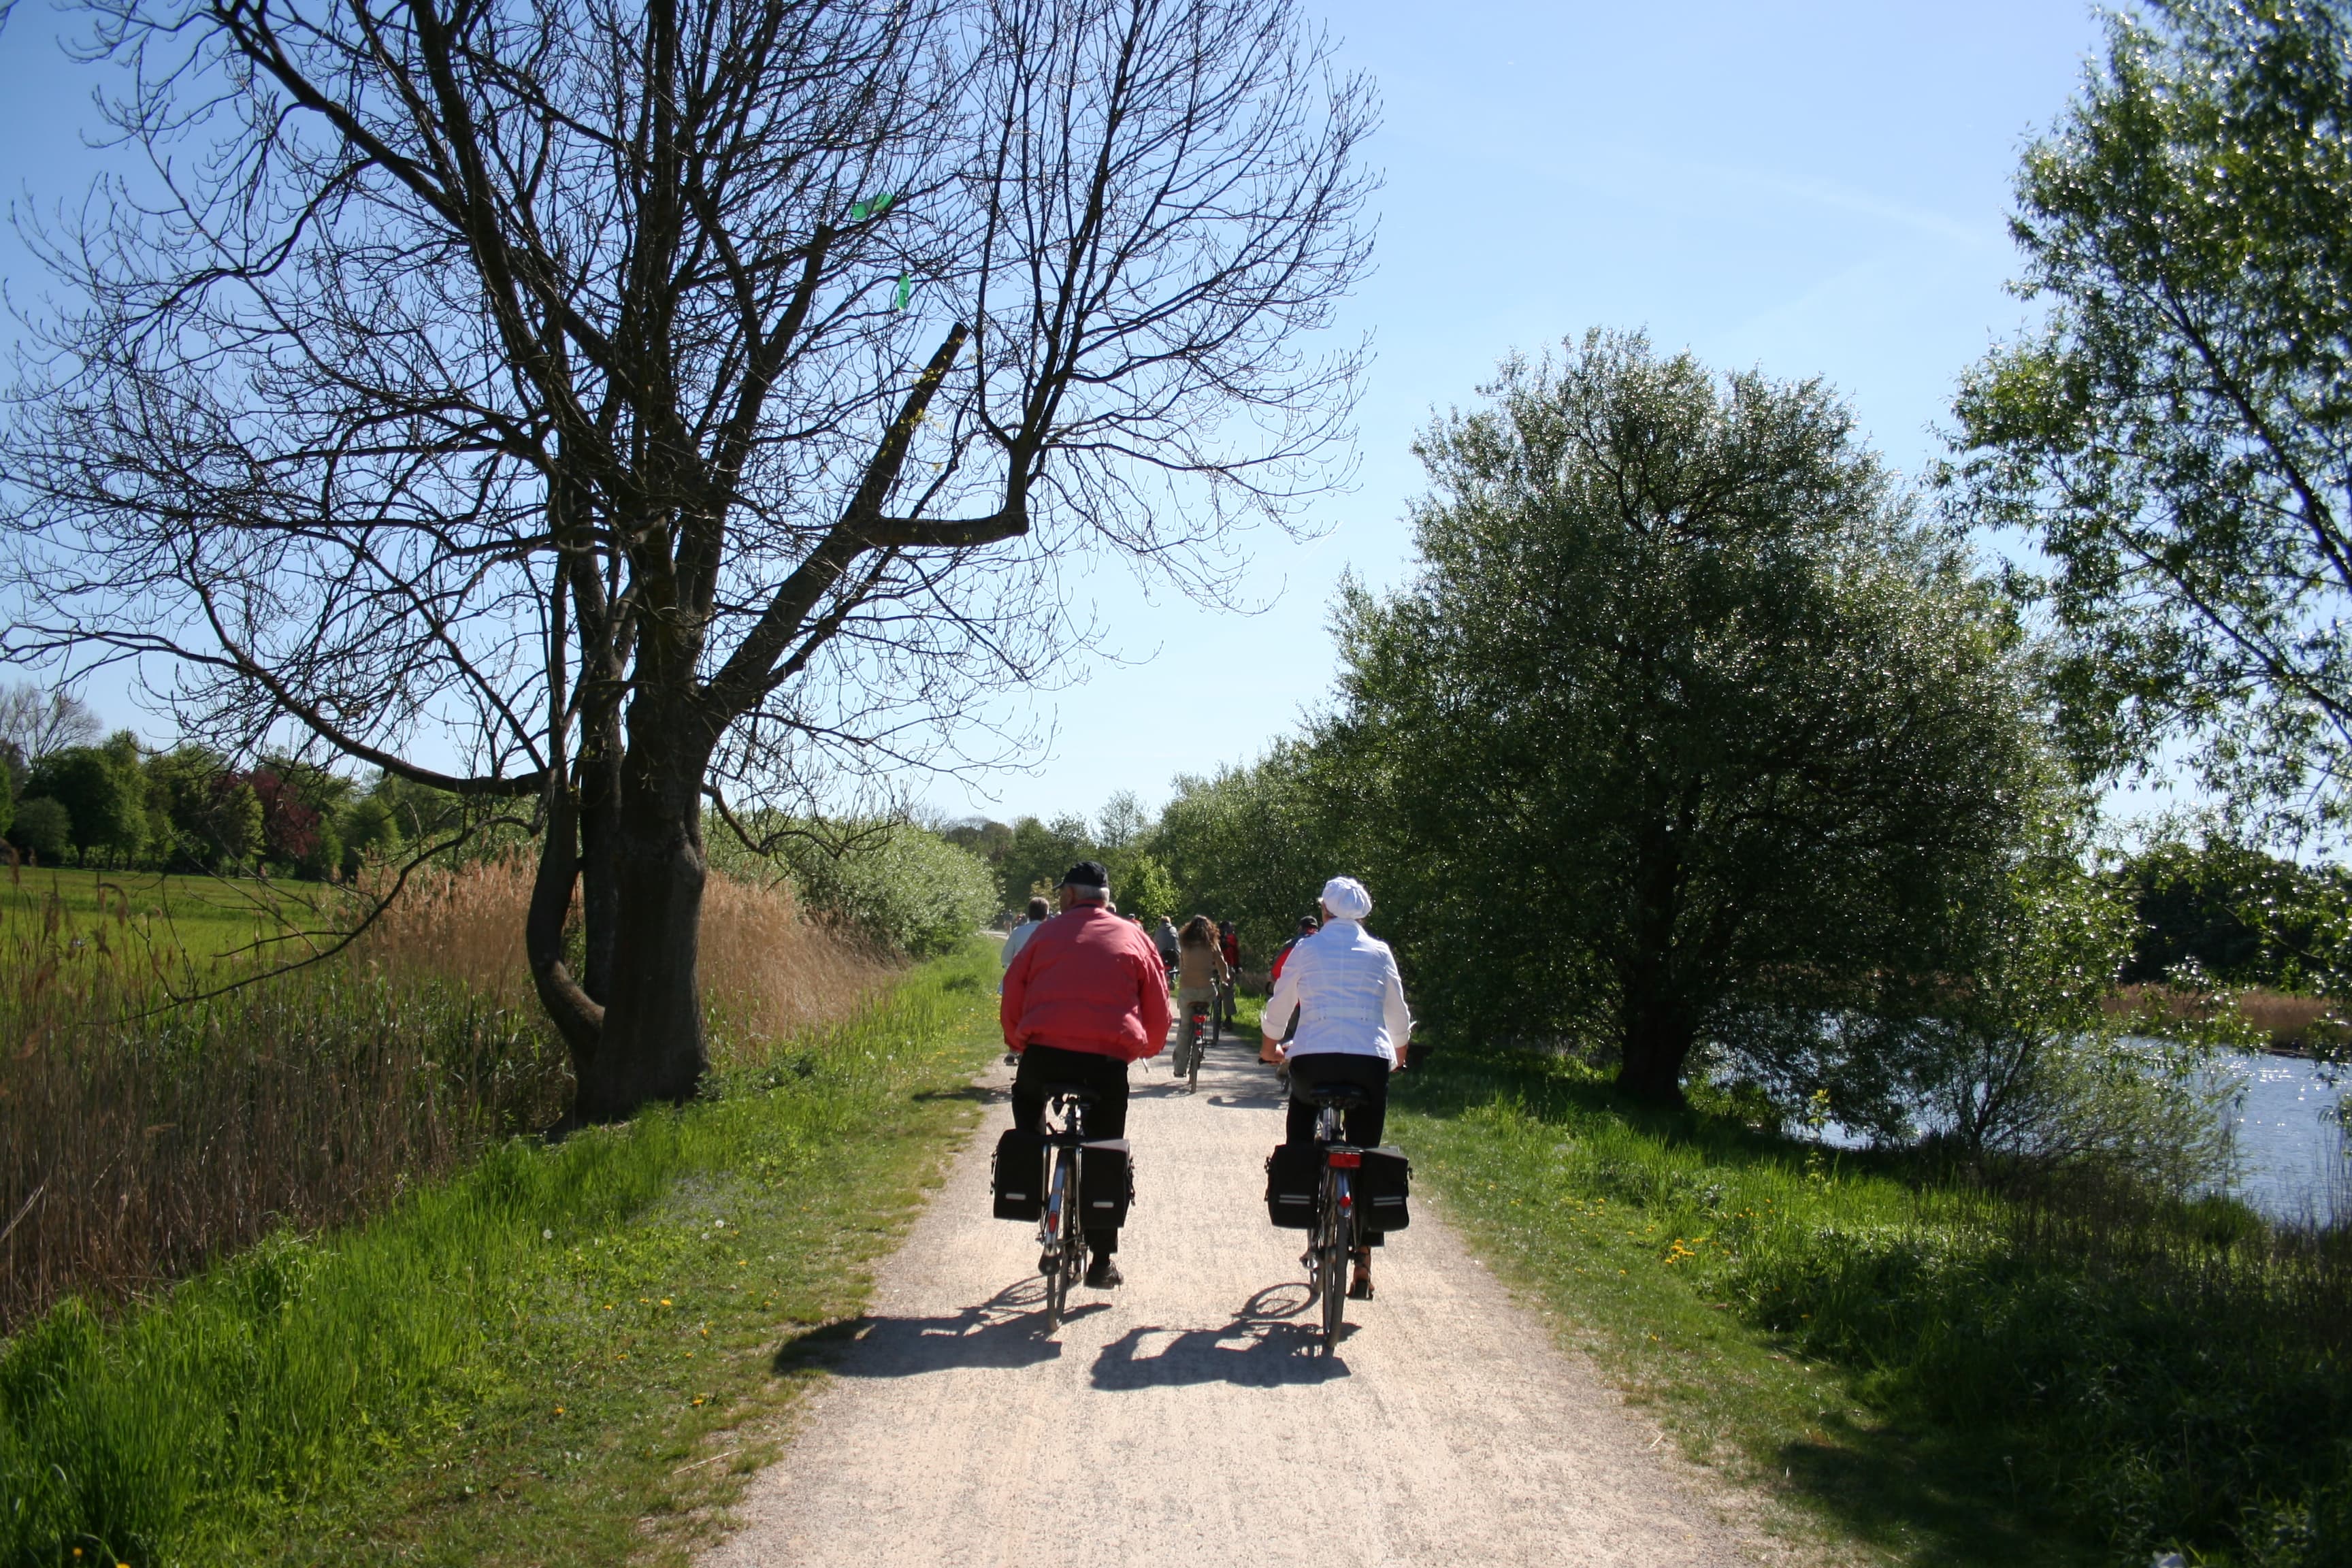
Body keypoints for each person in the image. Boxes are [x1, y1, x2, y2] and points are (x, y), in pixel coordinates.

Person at [1001, 861, 1171, 1289]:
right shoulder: (1135, 935)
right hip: (1105, 1062)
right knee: (1105, 1149)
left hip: (1045, 1056)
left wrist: (1018, 1041)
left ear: (1070, 896)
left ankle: (1034, 1173)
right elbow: (1158, 1002)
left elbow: (1014, 987)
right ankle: (1101, 1261)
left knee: (1027, 1102)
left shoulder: (1044, 934)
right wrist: (1146, 1048)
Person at [1260, 877, 1411, 1302]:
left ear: (1324, 911)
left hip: (1314, 1060)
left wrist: (1270, 1047)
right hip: (1369, 1065)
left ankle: (1305, 1199)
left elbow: (1281, 1004)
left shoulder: (1306, 949)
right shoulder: (1380, 952)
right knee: (1367, 1153)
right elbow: (1398, 1015)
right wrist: (1398, 1055)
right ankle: (1363, 1261)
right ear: (1362, 915)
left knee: (1301, 1122)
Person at [1258, 913, 1320, 1066]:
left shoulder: (1293, 945)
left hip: (1295, 1001)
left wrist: (1273, 979)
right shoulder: (1325, 944)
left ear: (1300, 928)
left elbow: (1277, 972)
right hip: (1317, 1003)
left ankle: (1283, 1059)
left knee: (1285, 1028)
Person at [1172, 914, 1232, 1071]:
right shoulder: (1212, 943)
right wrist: (1225, 978)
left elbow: (1182, 965)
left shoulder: (1185, 943)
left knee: (1185, 1026)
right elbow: (1221, 963)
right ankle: (1202, 1026)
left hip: (1187, 990)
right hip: (1207, 991)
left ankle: (1179, 1067)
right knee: (1212, 998)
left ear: (1189, 929)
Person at [1000, 896, 1051, 988]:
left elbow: (1005, 959)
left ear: (1029, 913)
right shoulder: (1051, 933)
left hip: (1018, 982)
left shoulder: (1018, 931)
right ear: (1046, 915)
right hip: (1042, 985)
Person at [1216, 919, 1241, 1025]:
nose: (1233, 930)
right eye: (1232, 928)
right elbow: (1236, 955)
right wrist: (1238, 967)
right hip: (1228, 967)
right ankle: (1228, 1019)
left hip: (1213, 966)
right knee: (1228, 992)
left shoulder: (1213, 938)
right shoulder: (1232, 939)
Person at [1153, 915, 1181, 979]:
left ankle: (1161, 978)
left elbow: (1154, 942)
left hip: (1162, 954)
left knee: (1159, 963)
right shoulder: (1174, 929)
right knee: (1173, 962)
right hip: (1174, 954)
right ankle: (1173, 979)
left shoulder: (1158, 931)